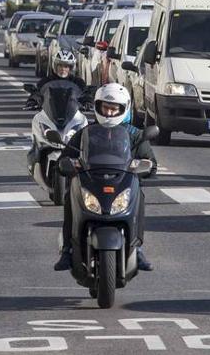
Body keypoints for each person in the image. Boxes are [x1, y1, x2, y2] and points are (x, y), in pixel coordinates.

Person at [54, 83, 156, 272]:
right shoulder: (85, 132)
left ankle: (137, 248)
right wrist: (69, 164)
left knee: (139, 198)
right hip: (91, 182)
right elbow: (64, 159)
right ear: (97, 107)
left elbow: (151, 162)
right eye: (105, 108)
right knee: (70, 197)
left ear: (123, 108)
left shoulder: (135, 134)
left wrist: (144, 166)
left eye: (114, 108)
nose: (109, 113)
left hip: (123, 183)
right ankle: (68, 250)